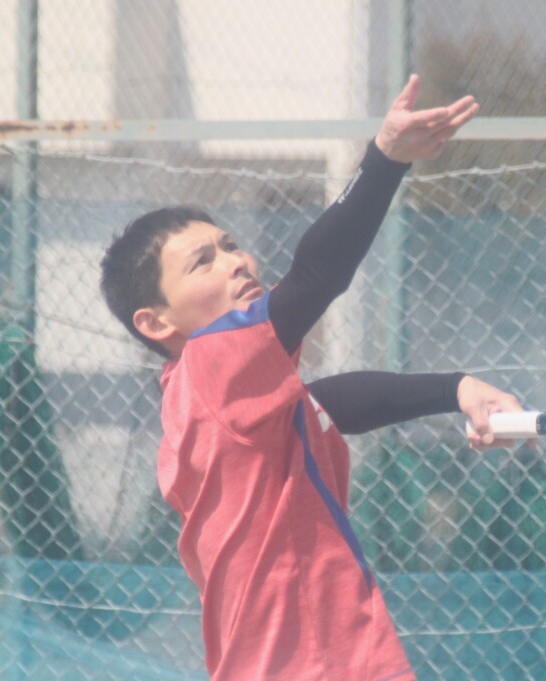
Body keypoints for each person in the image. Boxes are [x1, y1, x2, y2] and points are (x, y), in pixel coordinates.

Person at [100, 75, 523, 680]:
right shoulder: (210, 363)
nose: (236, 262)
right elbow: (316, 277)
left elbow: (329, 403)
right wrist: (384, 161)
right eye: (203, 262)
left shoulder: (208, 401)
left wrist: (456, 389)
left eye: (230, 245)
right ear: (155, 321)